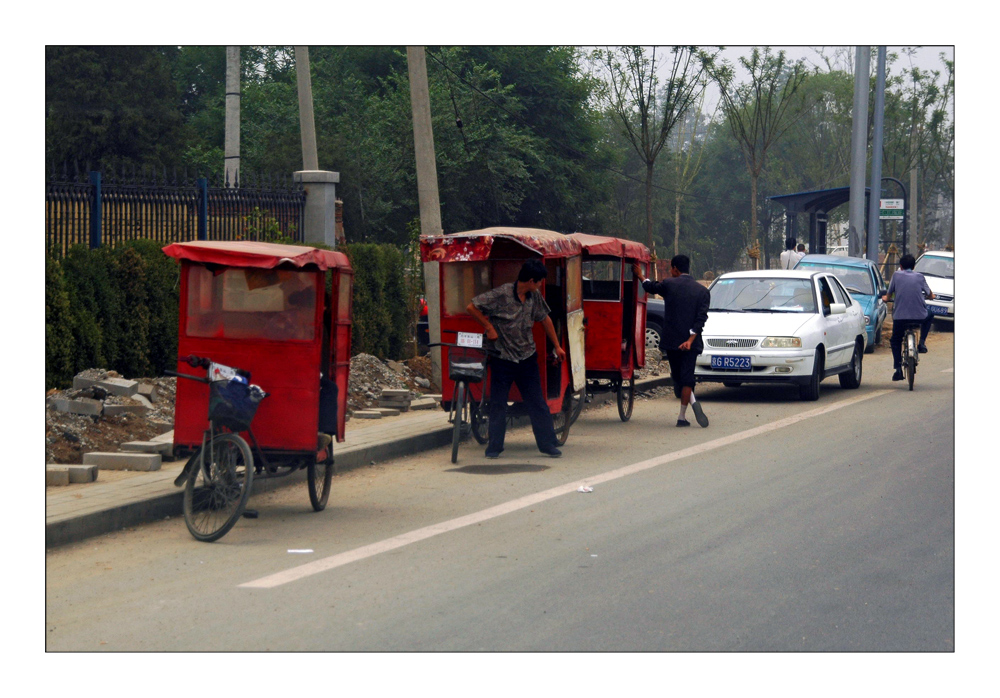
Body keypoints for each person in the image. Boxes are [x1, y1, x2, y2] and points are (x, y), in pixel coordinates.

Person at [467, 259, 566, 458]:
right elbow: (472, 307)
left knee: (537, 402)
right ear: (530, 280)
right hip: (502, 358)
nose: (539, 286)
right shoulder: (501, 294)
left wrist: (557, 345)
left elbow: (545, 318)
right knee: (498, 404)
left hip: (527, 357)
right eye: (538, 282)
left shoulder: (534, 296)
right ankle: (494, 447)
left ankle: (547, 444)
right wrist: (489, 327)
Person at [633, 255, 711, 428]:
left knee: (678, 377)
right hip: (691, 342)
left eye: (671, 268)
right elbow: (701, 319)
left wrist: (640, 275)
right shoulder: (702, 291)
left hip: (672, 341)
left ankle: (689, 405)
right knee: (687, 378)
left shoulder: (669, 284)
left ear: (675, 268)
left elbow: (650, 286)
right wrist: (690, 339)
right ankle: (682, 416)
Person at [882, 254, 935, 381]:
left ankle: (898, 369)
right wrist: (929, 297)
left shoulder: (896, 275)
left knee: (896, 340)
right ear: (914, 266)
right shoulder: (920, 277)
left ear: (900, 266)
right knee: (930, 314)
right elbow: (930, 294)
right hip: (919, 317)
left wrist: (885, 298)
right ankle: (922, 342)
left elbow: (888, 296)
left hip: (900, 317)